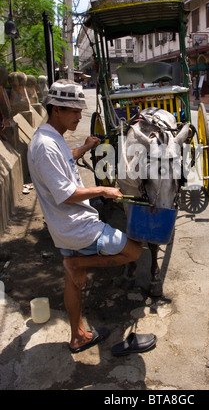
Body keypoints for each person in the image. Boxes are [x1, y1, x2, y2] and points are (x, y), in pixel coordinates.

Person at [27, 79, 142, 353]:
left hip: (64, 225)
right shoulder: (45, 146)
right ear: (56, 110)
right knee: (134, 251)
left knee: (74, 285)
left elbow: (64, 160)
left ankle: (78, 336)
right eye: (75, 112)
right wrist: (103, 189)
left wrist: (86, 147)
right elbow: (65, 194)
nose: (80, 116)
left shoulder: (51, 137)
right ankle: (78, 262)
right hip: (77, 225)